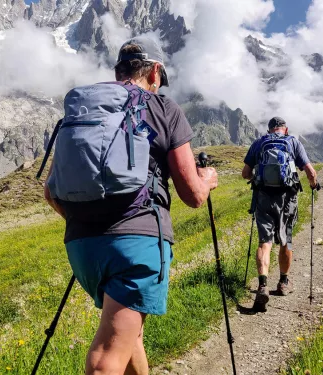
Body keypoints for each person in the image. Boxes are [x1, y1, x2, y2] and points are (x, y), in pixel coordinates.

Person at [43, 36, 218, 375]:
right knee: (107, 357)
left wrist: (90, 221)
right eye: (160, 78)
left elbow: (51, 193)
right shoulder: (163, 108)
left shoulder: (86, 108)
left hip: (81, 247)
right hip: (136, 243)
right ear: (155, 71)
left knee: (127, 332)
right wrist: (208, 179)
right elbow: (193, 195)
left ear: (118, 71)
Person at [241, 117, 317, 312]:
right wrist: (314, 185)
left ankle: (263, 285)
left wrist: (258, 176)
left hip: (263, 197)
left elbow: (245, 173)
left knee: (264, 242)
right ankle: (283, 282)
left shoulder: (259, 143)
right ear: (285, 129)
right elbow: (309, 170)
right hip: (287, 199)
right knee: (286, 240)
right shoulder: (293, 142)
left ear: (269, 130)